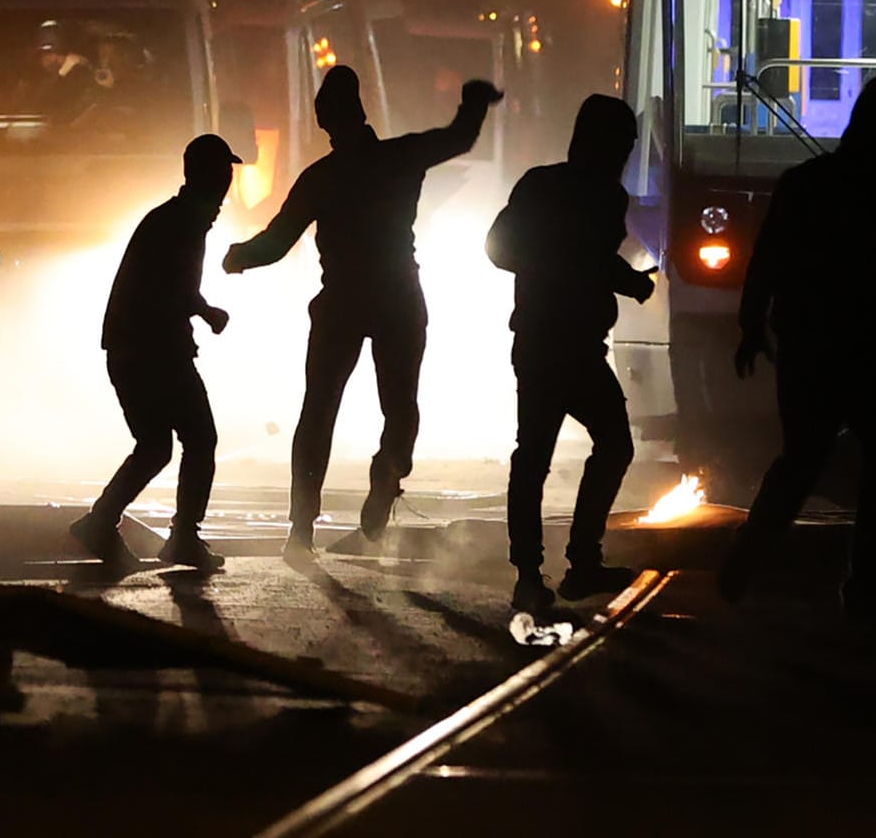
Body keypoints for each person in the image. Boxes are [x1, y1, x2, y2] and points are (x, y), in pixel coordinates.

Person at [223, 66, 503, 558]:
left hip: (342, 303)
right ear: (361, 109)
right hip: (397, 297)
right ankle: (384, 482)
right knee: (400, 407)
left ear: (323, 120)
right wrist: (474, 103)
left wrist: (237, 257)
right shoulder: (399, 156)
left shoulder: (322, 178)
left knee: (318, 411)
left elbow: (276, 241)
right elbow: (458, 138)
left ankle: (301, 529)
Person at [718, 79, 876, 615]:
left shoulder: (802, 184)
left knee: (799, 462)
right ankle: (867, 588)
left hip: (807, 348)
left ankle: (743, 564)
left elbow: (766, 262)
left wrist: (751, 328)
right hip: (872, 354)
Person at [486, 94, 653, 611]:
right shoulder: (603, 197)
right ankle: (574, 562)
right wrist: (627, 281)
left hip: (543, 341)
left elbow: (500, 248)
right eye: (622, 144)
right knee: (603, 445)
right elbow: (593, 260)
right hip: (568, 345)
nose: (624, 154)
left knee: (536, 455)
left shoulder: (539, 185)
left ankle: (538, 571)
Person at [70, 134, 243, 572]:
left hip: (135, 348)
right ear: (205, 176)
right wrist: (206, 312)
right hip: (151, 350)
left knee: (155, 447)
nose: (227, 186)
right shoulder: (182, 223)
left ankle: (103, 521)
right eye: (223, 174)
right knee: (198, 439)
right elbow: (173, 289)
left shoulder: (177, 219)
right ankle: (181, 536)